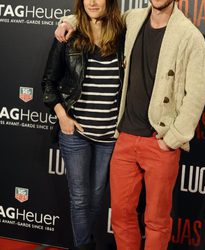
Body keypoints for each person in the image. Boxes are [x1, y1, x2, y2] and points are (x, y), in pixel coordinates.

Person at [54, 0, 205, 249]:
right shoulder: (133, 19)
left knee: (156, 222)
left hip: (159, 141)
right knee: (121, 217)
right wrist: (69, 21)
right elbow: (100, 16)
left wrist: (174, 138)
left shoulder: (190, 36)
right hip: (124, 138)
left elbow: (197, 95)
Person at [41, 0, 124, 250]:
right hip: (75, 134)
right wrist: (62, 116)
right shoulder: (68, 35)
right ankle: (84, 246)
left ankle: (84, 243)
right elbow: (48, 82)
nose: (93, 1)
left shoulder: (123, 35)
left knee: (97, 198)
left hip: (109, 136)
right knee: (79, 199)